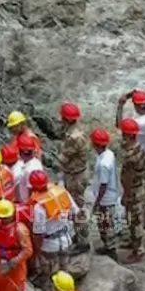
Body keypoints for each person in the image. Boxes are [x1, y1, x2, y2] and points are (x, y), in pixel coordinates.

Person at [117, 90, 145, 225]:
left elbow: (119, 125)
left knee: (136, 184)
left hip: (137, 155)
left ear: (136, 106)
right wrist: (135, 95)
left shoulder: (138, 123)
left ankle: (139, 216)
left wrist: (120, 105)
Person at [28, 170, 76, 283]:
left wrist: (38, 254)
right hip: (66, 240)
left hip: (49, 246)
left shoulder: (39, 207)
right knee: (65, 273)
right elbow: (74, 213)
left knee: (53, 277)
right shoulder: (62, 192)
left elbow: (38, 234)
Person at [57, 102, 91, 250]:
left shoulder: (72, 137)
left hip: (75, 176)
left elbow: (63, 158)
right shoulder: (79, 131)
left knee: (77, 209)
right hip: (80, 172)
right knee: (79, 206)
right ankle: (80, 235)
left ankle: (83, 241)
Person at [118, 119, 145, 264]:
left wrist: (125, 192)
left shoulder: (131, 154)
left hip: (134, 191)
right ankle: (133, 242)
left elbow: (129, 176)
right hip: (136, 188)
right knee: (131, 218)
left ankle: (139, 251)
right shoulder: (138, 148)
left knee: (135, 221)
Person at [90, 128, 120, 256]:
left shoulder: (103, 164)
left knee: (105, 224)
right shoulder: (109, 154)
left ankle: (111, 250)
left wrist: (96, 203)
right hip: (109, 195)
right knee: (106, 223)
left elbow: (103, 185)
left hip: (105, 199)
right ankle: (108, 246)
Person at [11, 132, 45, 204]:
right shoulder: (37, 162)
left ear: (21, 151)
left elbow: (31, 192)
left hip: (26, 203)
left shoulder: (28, 170)